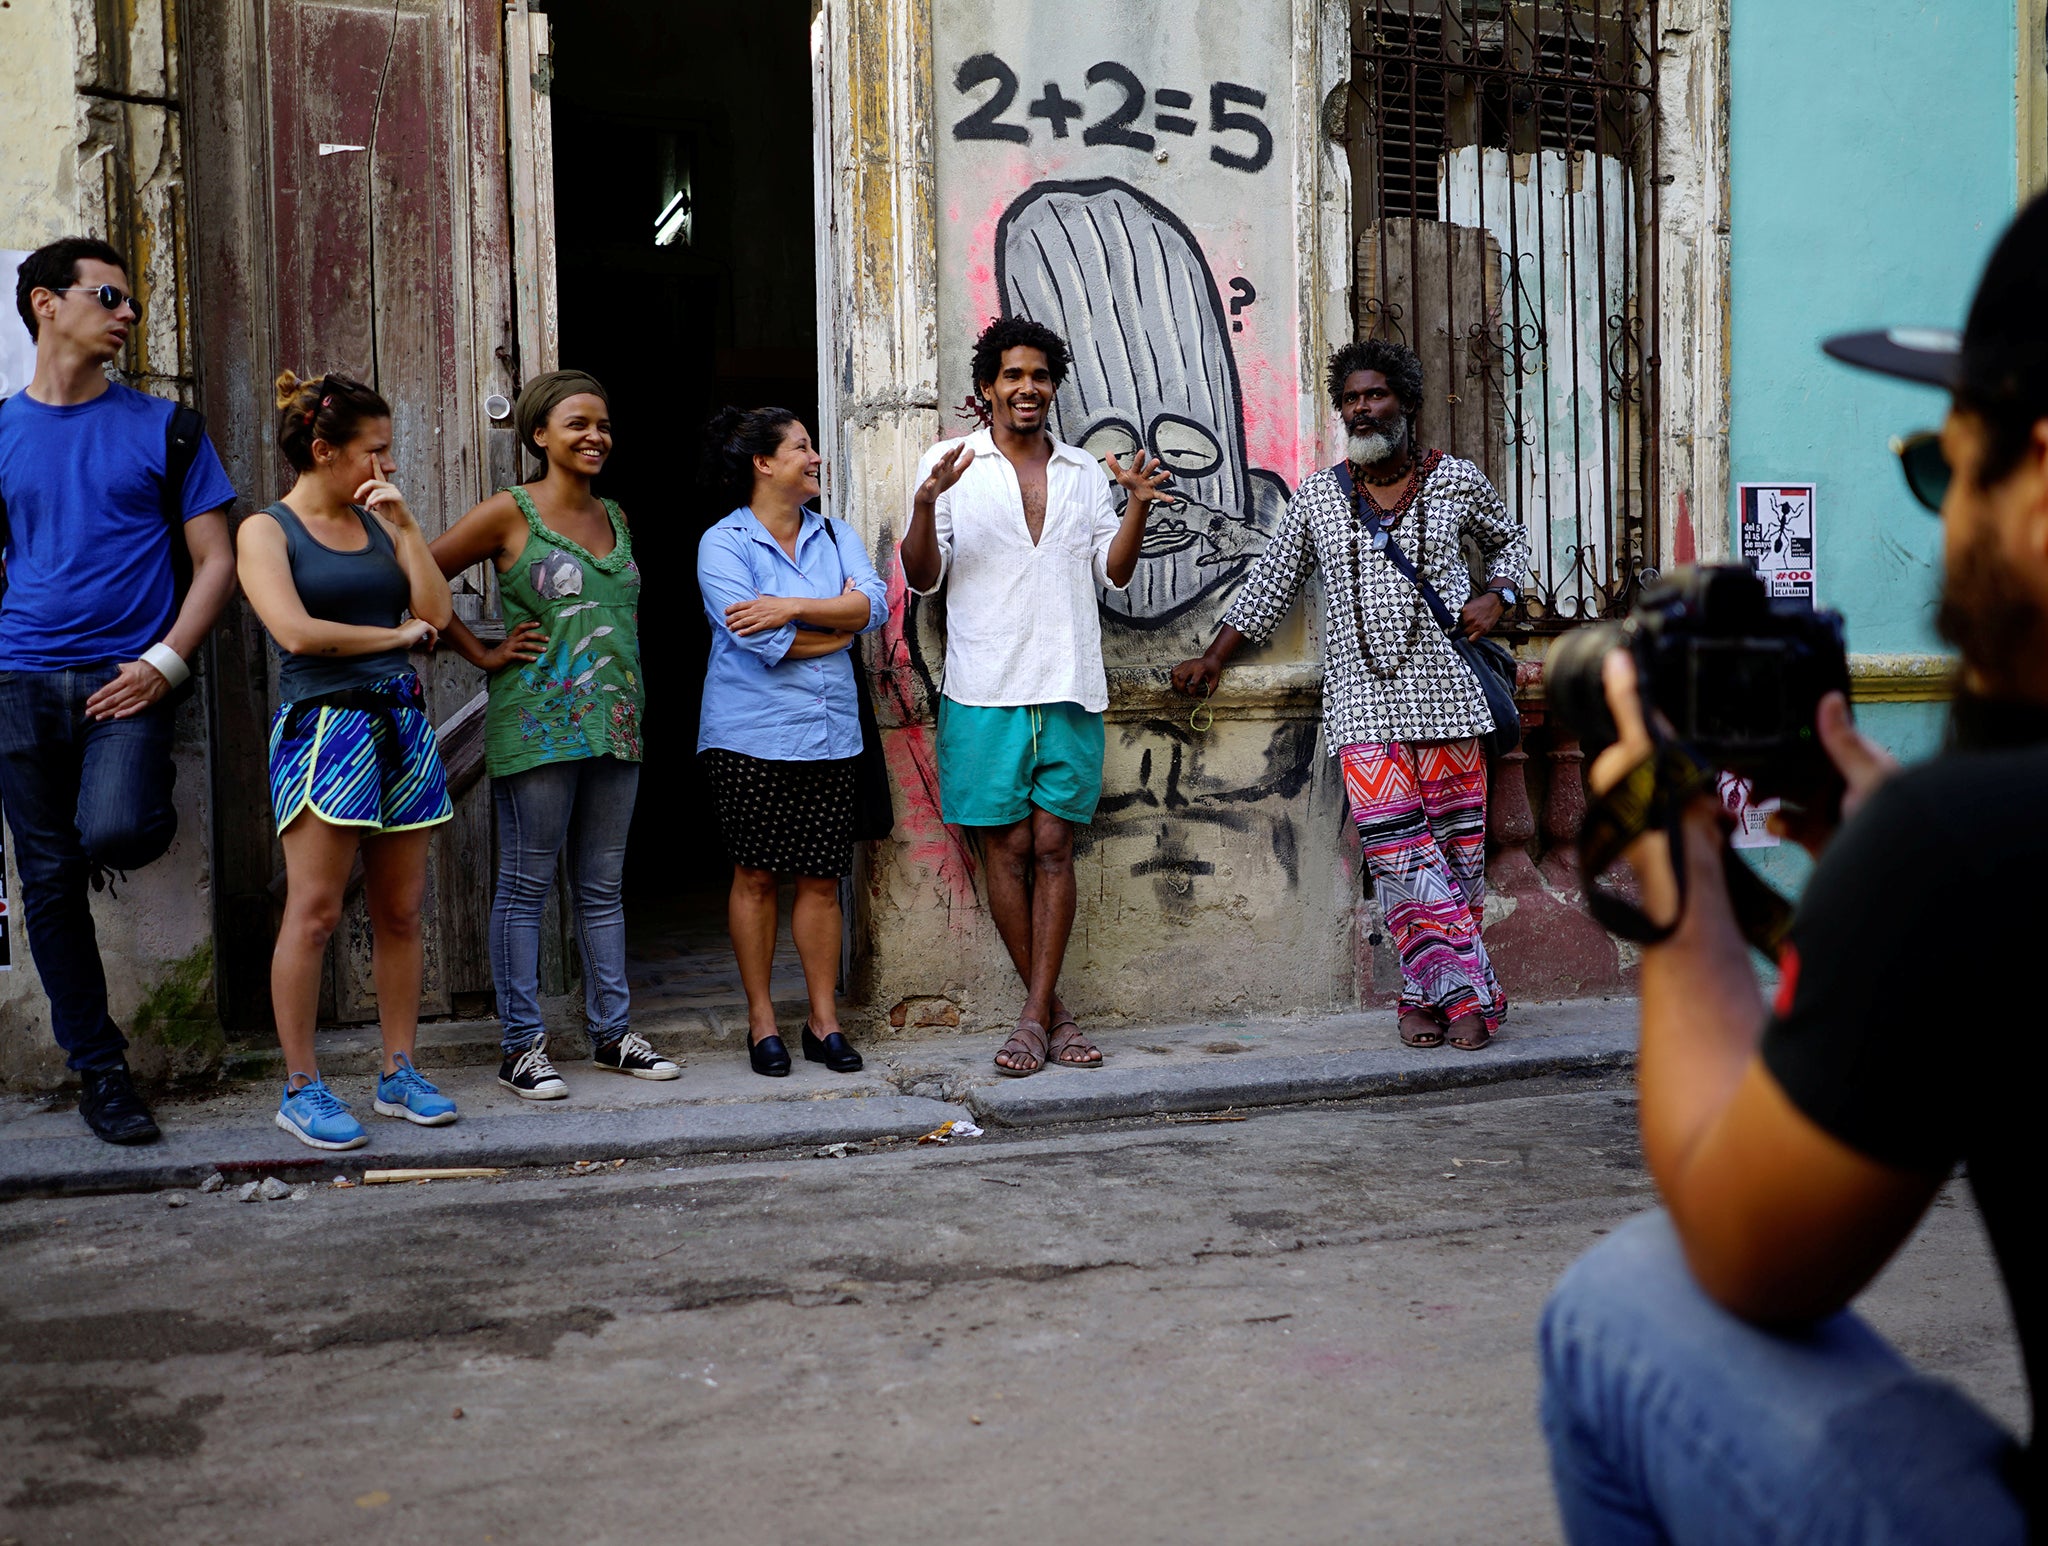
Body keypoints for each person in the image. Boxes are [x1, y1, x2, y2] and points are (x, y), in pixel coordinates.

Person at [1536, 196, 2048, 1545]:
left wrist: (1673, 855)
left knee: (1623, 1299)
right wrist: (1874, 867)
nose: (1942, 531)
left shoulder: (1966, 854)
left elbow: (1749, 1242)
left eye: (1945, 473)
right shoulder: (1955, 851)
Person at [1171, 339, 1530, 1052]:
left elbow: (1513, 544)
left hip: (1451, 698)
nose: (1362, 409)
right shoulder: (1321, 497)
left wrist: (1499, 595)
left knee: (1455, 860)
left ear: (1406, 402)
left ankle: (1420, 997)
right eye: (1351, 399)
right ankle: (1474, 997)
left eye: (1376, 395)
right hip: (1363, 706)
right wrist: (1214, 657)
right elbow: (1271, 583)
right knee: (1400, 857)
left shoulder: (1456, 480)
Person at [0, 237, 238, 1144]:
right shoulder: (1, 430)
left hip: (126, 680)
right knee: (50, 884)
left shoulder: (165, 427)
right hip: (19, 678)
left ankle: (119, 813)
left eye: (132, 299)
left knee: (115, 829)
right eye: (110, 295)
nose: (129, 312)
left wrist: (163, 666)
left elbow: (215, 563)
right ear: (45, 304)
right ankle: (101, 1074)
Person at [902, 316, 1173, 1076]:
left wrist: (1139, 508)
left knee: (1055, 847)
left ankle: (1032, 1018)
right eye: (1013, 376)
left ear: (1053, 387)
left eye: (1040, 376)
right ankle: (1054, 1017)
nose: (1028, 388)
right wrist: (925, 504)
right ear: (987, 387)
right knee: (1008, 848)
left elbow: (1112, 574)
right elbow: (925, 577)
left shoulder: (1086, 472)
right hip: (984, 688)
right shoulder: (951, 464)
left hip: (1068, 683)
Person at [430, 369, 674, 1100]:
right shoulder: (509, 514)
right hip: (538, 721)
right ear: (539, 435)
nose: (595, 436)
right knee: (527, 884)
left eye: (602, 424)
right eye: (577, 424)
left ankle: (612, 1034)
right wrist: (478, 651)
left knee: (601, 887)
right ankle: (520, 1048)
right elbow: (418, 575)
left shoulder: (618, 516)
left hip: (617, 720)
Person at [237, 371, 459, 1151]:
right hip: (324, 730)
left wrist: (404, 529)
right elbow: (296, 634)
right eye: (376, 452)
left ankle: (400, 1071)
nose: (387, 467)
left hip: (399, 725)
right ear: (324, 450)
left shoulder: (379, 522)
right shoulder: (266, 531)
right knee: (317, 911)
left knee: (401, 911)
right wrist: (394, 640)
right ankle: (301, 1087)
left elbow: (437, 614)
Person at [696, 406, 891, 1077]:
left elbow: (874, 605)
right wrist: (830, 629)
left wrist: (791, 605)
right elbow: (758, 638)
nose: (815, 457)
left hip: (831, 733)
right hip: (749, 734)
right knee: (755, 877)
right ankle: (761, 1022)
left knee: (819, 879)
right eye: (803, 446)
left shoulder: (835, 534)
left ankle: (822, 1022)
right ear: (763, 462)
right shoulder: (723, 544)